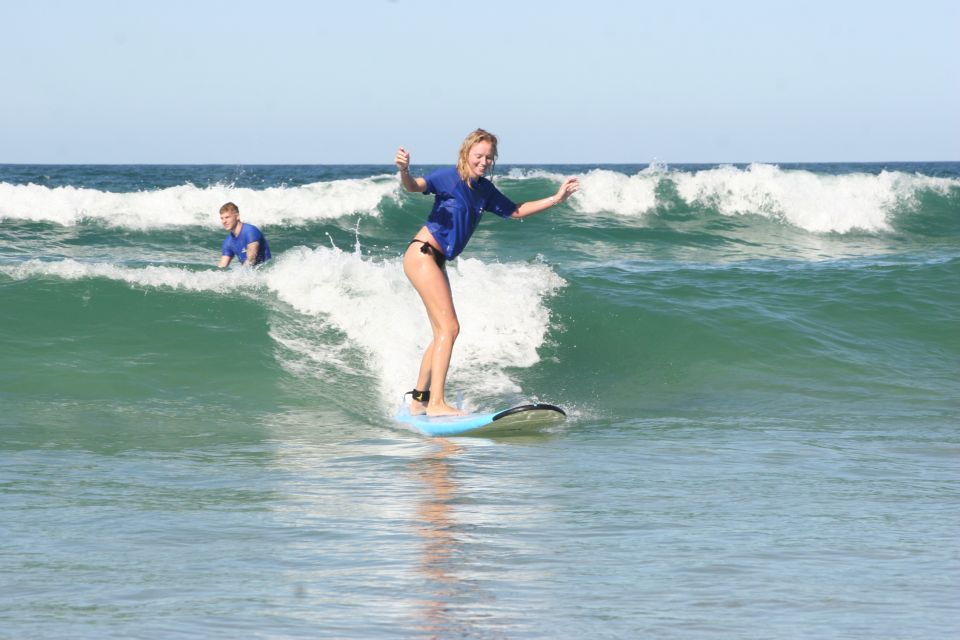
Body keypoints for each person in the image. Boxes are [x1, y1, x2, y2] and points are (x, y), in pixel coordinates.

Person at [396, 128, 579, 416]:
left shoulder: (484, 189)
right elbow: (413, 186)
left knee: (441, 333)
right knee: (451, 329)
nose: (483, 162)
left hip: (436, 259)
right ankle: (436, 405)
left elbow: (515, 210)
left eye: (489, 158)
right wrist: (404, 170)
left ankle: (420, 398)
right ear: (466, 153)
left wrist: (556, 199)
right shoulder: (447, 177)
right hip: (423, 254)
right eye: (479, 156)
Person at [217, 202, 271, 267]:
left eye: (227, 217)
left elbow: (251, 259)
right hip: (249, 274)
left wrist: (240, 275)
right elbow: (222, 267)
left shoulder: (250, 231)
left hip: (267, 273)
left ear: (237, 216)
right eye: (222, 218)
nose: (224, 221)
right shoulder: (228, 241)